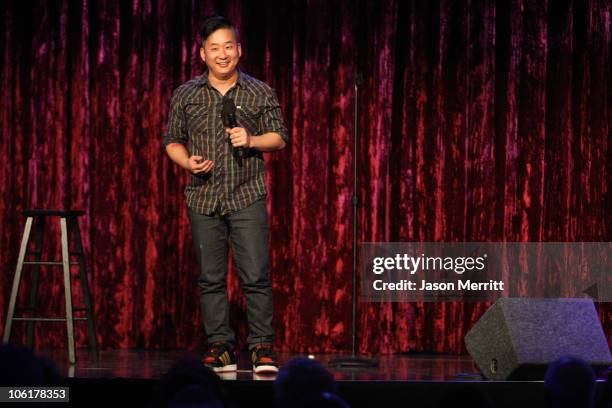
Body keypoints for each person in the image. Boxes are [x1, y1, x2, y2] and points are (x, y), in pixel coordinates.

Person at [163, 15, 288, 374]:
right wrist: (187, 161)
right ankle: (221, 347)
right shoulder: (186, 93)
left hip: (246, 194)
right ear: (202, 53)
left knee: (255, 275)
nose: (222, 54)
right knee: (211, 278)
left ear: (239, 50)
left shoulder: (259, 91)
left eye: (228, 47)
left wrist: (250, 139)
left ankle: (262, 347)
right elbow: (171, 140)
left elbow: (279, 137)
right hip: (204, 198)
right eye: (214, 48)